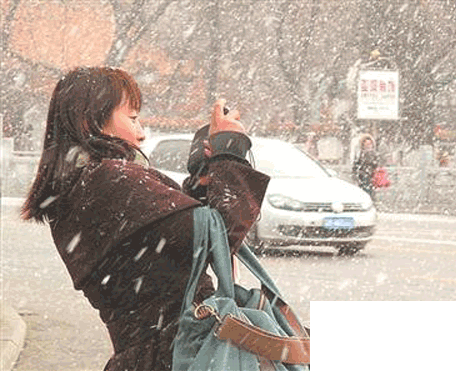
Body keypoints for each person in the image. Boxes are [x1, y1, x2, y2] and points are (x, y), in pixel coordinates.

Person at [21, 66, 270, 370]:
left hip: (152, 354)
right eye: (133, 118)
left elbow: (176, 242)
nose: (141, 132)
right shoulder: (107, 179)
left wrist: (203, 179)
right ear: (90, 122)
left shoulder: (84, 185)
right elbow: (215, 237)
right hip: (176, 355)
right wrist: (230, 154)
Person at [352, 133, 378, 200]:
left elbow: (375, 164)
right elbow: (356, 164)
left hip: (370, 178)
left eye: (370, 144)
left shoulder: (373, 154)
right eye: (367, 144)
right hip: (363, 178)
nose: (369, 146)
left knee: (369, 194)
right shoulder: (360, 153)